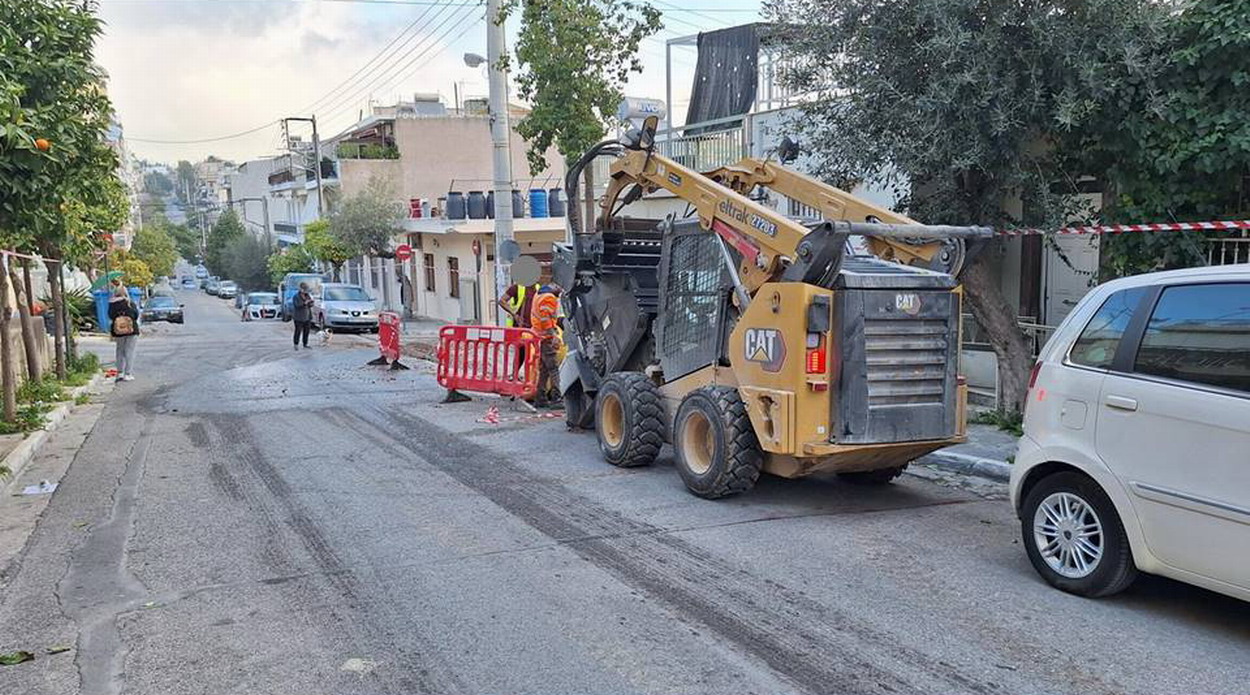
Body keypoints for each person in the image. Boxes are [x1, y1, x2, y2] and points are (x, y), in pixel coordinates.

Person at [529, 284, 562, 407]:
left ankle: (540, 397)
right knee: (554, 369)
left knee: (544, 369)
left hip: (538, 336)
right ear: (553, 286)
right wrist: (553, 335)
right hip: (546, 337)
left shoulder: (538, 295)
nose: (561, 290)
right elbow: (545, 318)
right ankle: (556, 398)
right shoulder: (549, 298)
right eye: (559, 287)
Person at [108, 285, 139, 381]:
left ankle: (120, 372)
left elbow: (110, 315)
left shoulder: (112, 303)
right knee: (129, 351)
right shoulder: (130, 303)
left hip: (118, 330)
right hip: (131, 330)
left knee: (119, 350)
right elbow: (135, 315)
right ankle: (128, 373)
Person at [292, 282, 314, 349]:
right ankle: (296, 344)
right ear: (300, 289)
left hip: (307, 316)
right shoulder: (296, 296)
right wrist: (305, 303)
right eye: (304, 289)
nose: (305, 291)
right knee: (298, 331)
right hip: (299, 317)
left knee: (306, 331)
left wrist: (311, 302)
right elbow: (297, 305)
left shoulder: (307, 295)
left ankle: (305, 343)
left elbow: (310, 305)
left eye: (306, 289)